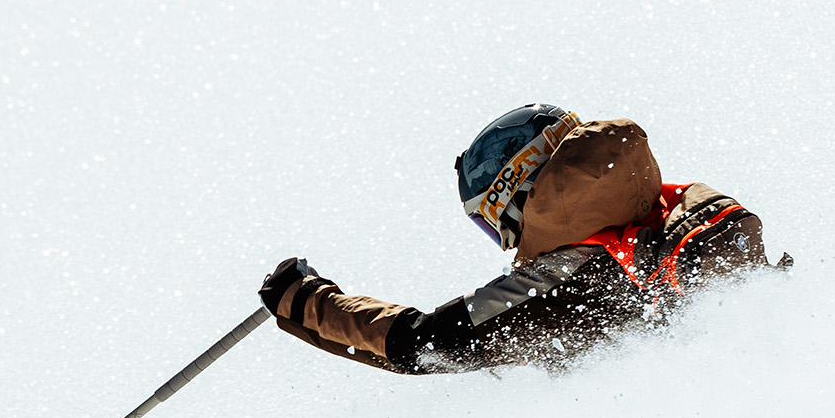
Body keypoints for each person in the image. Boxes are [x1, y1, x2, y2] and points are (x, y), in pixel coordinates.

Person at [260, 104, 785, 373]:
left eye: (495, 222)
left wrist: (307, 304)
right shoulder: (687, 203)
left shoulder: (564, 273)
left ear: (516, 194)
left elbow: (426, 344)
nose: (508, 242)